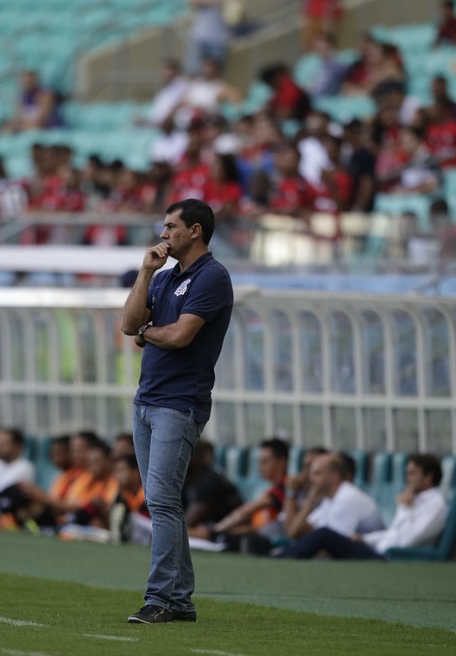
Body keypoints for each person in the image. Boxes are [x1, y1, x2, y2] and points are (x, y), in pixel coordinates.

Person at [120, 198, 233, 624]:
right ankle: (181, 600)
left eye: (170, 227)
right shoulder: (165, 278)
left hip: (179, 403)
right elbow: (129, 323)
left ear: (195, 231)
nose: (163, 234)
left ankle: (160, 599)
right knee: (159, 501)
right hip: (147, 399)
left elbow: (182, 335)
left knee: (163, 502)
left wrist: (148, 332)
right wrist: (146, 271)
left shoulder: (212, 277)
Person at [282, 454, 448, 560]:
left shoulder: (436, 504)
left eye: (412, 474)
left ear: (429, 476)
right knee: (324, 534)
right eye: (407, 473)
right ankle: (282, 556)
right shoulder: (414, 500)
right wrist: (365, 539)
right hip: (375, 549)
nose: (407, 479)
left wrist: (404, 509)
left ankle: (282, 558)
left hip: (388, 557)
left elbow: (407, 541)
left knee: (324, 535)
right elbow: (393, 533)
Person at [192, 438, 289, 549]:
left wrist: (218, 529)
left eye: (265, 461)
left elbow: (247, 511)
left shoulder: (284, 487)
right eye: (259, 462)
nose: (260, 467)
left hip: (268, 541)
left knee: (208, 534)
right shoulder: (270, 489)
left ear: (282, 462)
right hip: (256, 534)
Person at [281, 453, 383, 543]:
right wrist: (309, 502)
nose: (310, 479)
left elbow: (336, 544)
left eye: (317, 474)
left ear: (334, 476)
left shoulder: (347, 497)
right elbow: (294, 532)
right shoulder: (329, 499)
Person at [183, 439, 243, 530]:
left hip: (228, 532)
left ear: (195, 457)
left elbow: (188, 521)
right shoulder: (187, 479)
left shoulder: (211, 478)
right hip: (208, 531)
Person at [186, 0, 229, 76]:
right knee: (193, 72)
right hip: (199, 36)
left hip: (219, 39)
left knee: (216, 74)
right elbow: (193, 3)